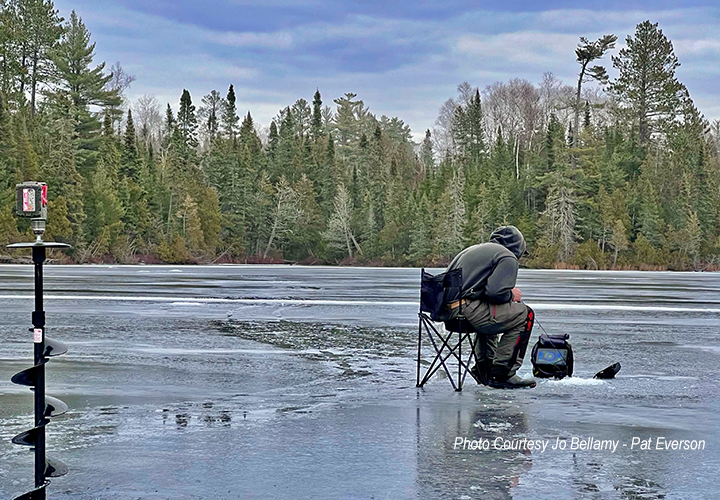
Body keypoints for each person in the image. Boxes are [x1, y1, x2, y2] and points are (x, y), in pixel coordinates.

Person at [445, 226, 536, 389]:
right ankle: (502, 373)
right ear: (518, 248)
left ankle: (484, 369)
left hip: (447, 313)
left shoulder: (473, 250)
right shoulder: (507, 256)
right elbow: (496, 293)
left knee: (493, 312)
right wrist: (511, 295)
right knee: (525, 315)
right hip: (467, 311)